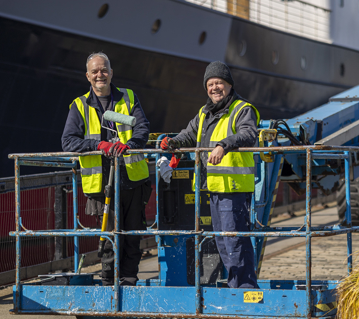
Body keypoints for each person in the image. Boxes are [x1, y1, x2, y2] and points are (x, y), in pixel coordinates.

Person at [161, 61, 260, 289]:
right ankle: (238, 285)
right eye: (210, 84)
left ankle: (244, 289)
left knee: (234, 240)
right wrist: (173, 142)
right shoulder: (204, 113)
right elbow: (188, 134)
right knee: (223, 241)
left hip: (232, 187)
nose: (215, 88)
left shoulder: (242, 109)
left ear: (229, 85)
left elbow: (248, 134)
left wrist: (223, 145)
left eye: (219, 83)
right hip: (213, 187)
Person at [61, 52, 152, 286]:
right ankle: (109, 285)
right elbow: (68, 141)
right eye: (95, 71)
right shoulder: (79, 105)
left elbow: (142, 128)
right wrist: (97, 145)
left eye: (104, 70)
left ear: (111, 73)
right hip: (103, 186)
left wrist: (129, 145)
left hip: (132, 180)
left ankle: (128, 282)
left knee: (132, 236)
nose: (100, 75)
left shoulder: (128, 97)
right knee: (109, 239)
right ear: (88, 76)